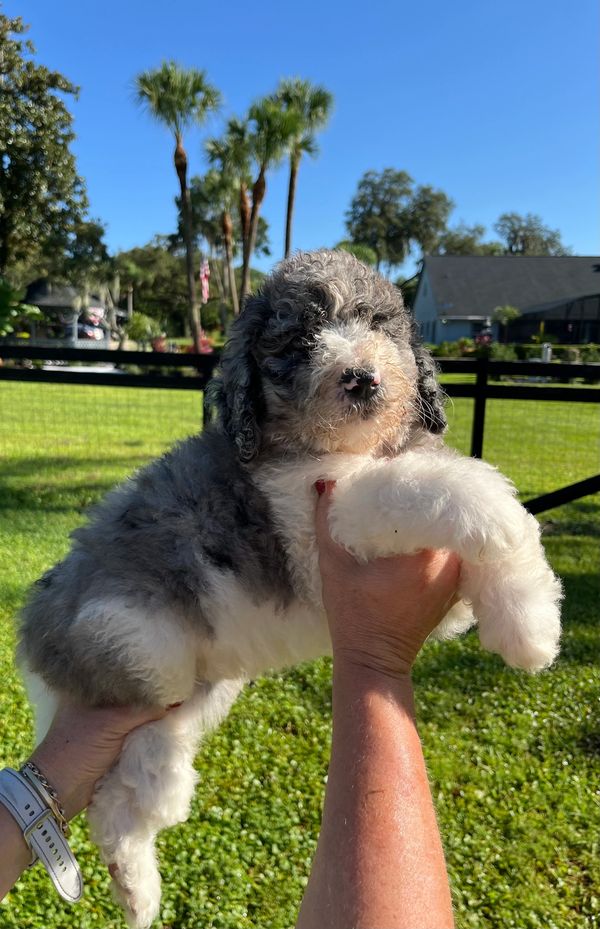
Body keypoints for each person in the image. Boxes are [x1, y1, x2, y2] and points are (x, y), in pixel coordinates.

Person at [1, 481, 460, 928]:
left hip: (165, 616)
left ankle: (126, 819)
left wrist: (51, 782)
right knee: (166, 722)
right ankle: (127, 819)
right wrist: (377, 660)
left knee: (172, 721)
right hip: (145, 608)